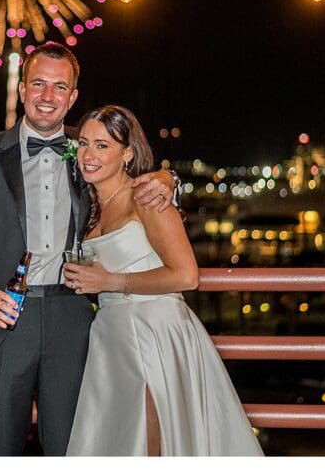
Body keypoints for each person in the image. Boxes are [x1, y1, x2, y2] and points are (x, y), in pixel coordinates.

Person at [0, 43, 178, 456]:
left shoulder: (89, 153)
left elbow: (133, 184)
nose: (48, 96)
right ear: (24, 89)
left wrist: (170, 180)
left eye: (59, 87)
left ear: (73, 98)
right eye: (39, 84)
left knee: (75, 449)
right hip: (4, 318)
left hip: (74, 322)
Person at [63, 105, 263, 456]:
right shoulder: (90, 201)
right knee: (118, 442)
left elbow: (187, 275)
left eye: (102, 145)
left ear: (127, 153)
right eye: (82, 144)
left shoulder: (147, 197)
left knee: (151, 442)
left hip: (154, 333)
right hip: (111, 337)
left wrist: (108, 282)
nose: (88, 155)